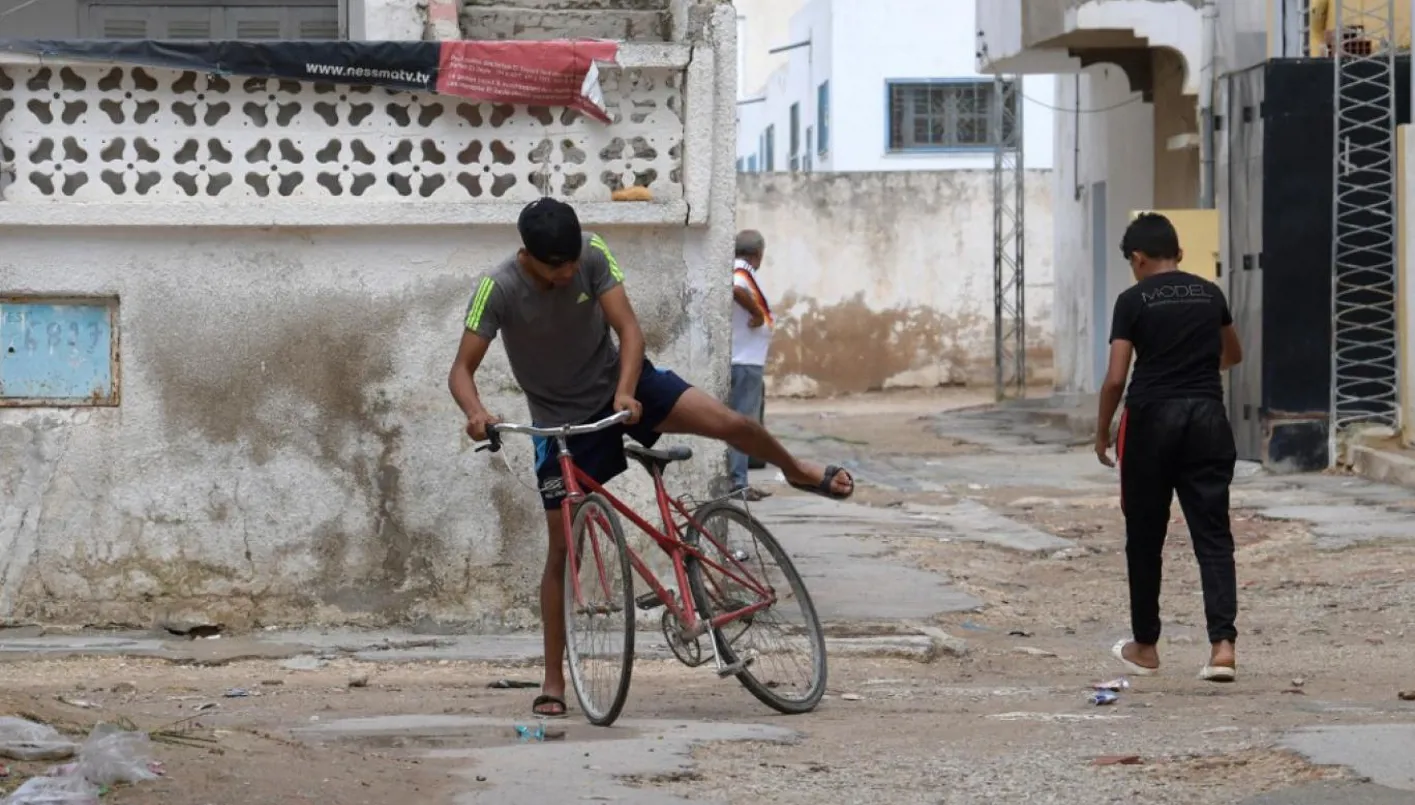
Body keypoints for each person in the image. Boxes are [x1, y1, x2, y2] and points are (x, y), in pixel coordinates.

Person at [447, 198, 856, 718]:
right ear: (527, 256)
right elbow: (461, 370)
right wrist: (476, 412)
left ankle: (798, 470)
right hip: (560, 423)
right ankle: (554, 679)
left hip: (628, 386)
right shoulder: (497, 287)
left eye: (572, 262)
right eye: (557, 267)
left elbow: (629, 330)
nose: (569, 272)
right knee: (562, 550)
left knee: (733, 423)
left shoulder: (593, 252)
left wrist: (624, 390)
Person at [1094, 212, 1244, 683]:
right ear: (1179, 253)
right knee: (1212, 534)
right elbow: (1233, 354)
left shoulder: (1132, 301)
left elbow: (1116, 377)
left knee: (1144, 537)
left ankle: (1145, 647)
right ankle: (1222, 647)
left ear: (1138, 259)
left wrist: (1101, 431)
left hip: (1150, 422)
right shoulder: (1210, 294)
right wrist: (1194, 368)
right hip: (1207, 418)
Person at [727, 229, 774, 500]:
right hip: (744, 361)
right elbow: (736, 289)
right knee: (743, 424)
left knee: (741, 423)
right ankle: (738, 483)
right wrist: (756, 312)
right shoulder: (741, 272)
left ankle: (738, 479)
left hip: (745, 359)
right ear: (758, 254)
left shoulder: (740, 270)